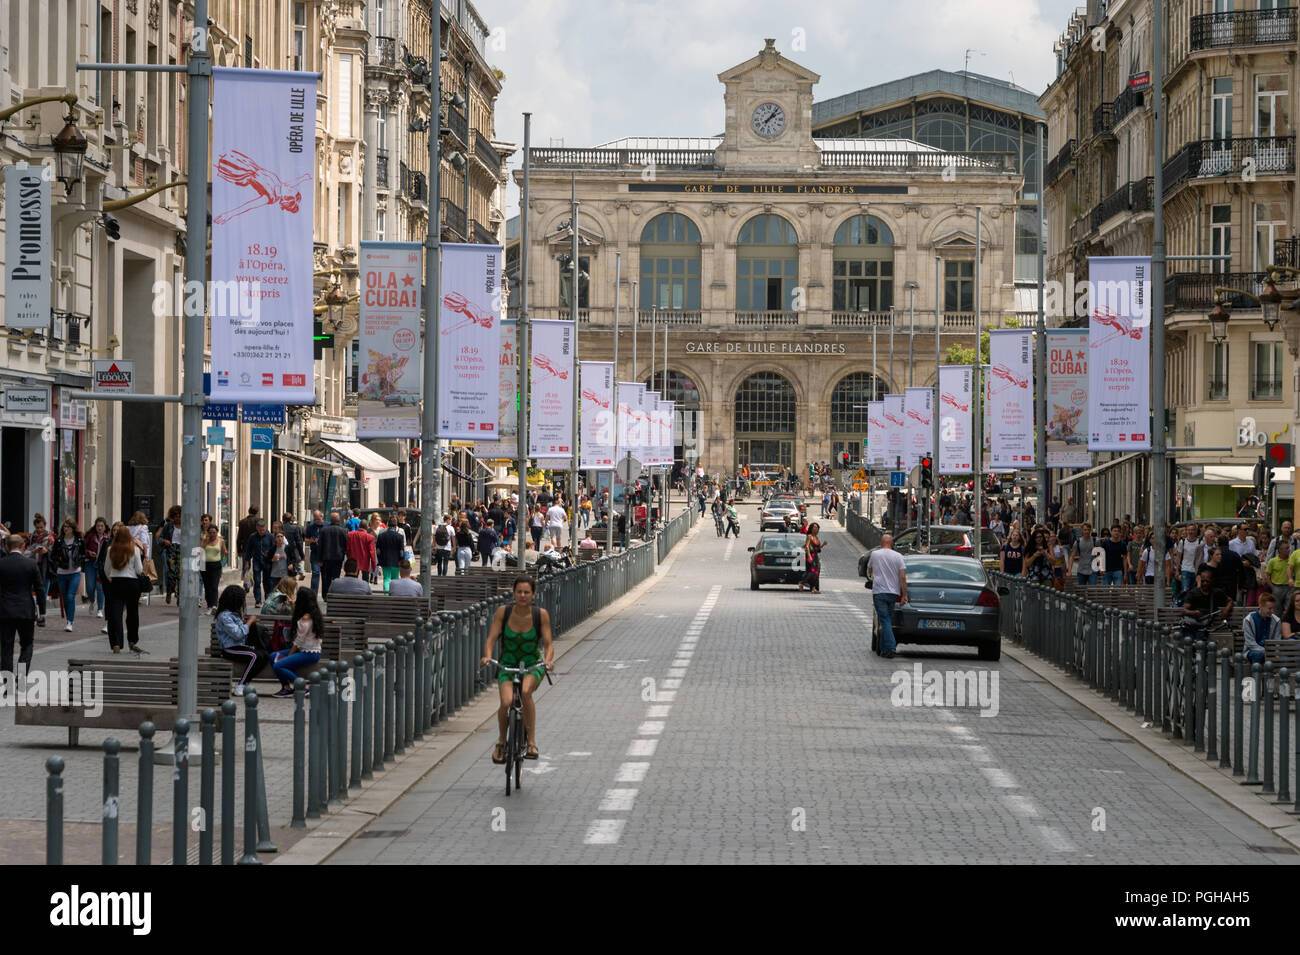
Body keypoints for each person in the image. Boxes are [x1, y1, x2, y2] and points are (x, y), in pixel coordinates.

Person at [480, 576, 554, 763]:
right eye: (519, 592)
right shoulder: (503, 612)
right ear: (513, 593)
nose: (522, 595)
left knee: (526, 691)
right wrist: (487, 656)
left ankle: (531, 741)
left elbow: (548, 644)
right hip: (508, 664)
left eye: (526, 592)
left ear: (533, 594)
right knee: (505, 703)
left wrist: (547, 660)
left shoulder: (541, 614)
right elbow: (491, 638)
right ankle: (501, 742)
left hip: (532, 664)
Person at [214, 584, 267, 694]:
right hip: (230, 649)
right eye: (241, 600)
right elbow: (238, 634)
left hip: (240, 646)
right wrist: (249, 622)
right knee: (254, 656)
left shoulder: (234, 614)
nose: (243, 603)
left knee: (264, 655)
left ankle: (245, 682)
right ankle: (241, 685)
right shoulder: (225, 616)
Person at [270, 588, 324, 697]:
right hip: (304, 650)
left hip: (309, 653)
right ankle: (286, 688)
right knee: (273, 656)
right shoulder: (313, 614)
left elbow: (298, 642)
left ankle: (303, 687)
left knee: (278, 666)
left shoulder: (305, 619)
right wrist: (291, 605)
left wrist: (289, 656)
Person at [0, 534, 41, 676]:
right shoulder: (31, 564)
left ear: (6, 546)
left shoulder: (2, 563)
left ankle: (7, 683)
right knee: (27, 645)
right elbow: (40, 589)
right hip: (26, 610)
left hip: (5, 610)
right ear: (23, 546)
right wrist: (42, 611)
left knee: (6, 647)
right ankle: (21, 679)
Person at [867, 534, 909, 659]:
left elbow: (869, 569)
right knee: (887, 621)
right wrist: (904, 595)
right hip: (893, 593)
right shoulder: (898, 557)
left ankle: (890, 648)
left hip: (879, 592)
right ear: (892, 544)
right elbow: (902, 577)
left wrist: (874, 574)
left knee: (884, 620)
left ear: (881, 543)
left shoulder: (875, 554)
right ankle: (883, 649)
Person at [105, 525, 145, 653]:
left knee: (115, 614)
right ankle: (132, 640)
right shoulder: (135, 550)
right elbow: (139, 570)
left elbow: (106, 569)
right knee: (132, 613)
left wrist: (111, 577)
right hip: (132, 583)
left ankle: (116, 643)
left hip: (116, 582)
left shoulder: (111, 549)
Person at [49, 517, 85, 632]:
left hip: (75, 572)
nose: (66, 529)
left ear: (73, 528)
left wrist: (80, 560)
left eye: (68, 526)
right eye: (64, 526)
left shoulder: (79, 541)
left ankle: (70, 621)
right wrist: (58, 562)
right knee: (65, 598)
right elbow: (53, 556)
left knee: (70, 597)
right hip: (61, 573)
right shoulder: (59, 541)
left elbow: (83, 554)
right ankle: (69, 619)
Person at [1182, 566, 1234, 639]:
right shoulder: (1193, 593)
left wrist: (1226, 610)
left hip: (1205, 626)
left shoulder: (1216, 592)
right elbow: (1184, 611)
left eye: (1207, 581)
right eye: (1203, 581)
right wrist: (1193, 613)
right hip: (1191, 625)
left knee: (1199, 641)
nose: (1205, 583)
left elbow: (1230, 601)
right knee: (1189, 640)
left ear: (1212, 580)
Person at [23, 513, 53, 625]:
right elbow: (24, 550)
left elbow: (52, 552)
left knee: (42, 592)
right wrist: (33, 551)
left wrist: (46, 551)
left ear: (45, 525)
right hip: (31, 566)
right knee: (29, 591)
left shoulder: (49, 537)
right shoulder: (31, 537)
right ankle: (34, 614)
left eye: (41, 527)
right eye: (37, 527)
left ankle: (42, 617)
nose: (39, 530)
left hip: (44, 567)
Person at [242, 518, 275, 604]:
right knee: (257, 581)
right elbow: (248, 550)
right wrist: (246, 562)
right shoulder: (252, 537)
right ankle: (258, 600)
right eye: (260, 530)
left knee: (267, 581)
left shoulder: (270, 536)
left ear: (266, 528)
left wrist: (270, 554)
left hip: (267, 561)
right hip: (256, 561)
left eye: (263, 530)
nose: (261, 532)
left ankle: (267, 598)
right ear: (257, 528)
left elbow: (274, 548)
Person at [83, 517, 110, 619]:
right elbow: (83, 549)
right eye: (98, 526)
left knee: (100, 587)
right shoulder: (90, 536)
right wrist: (89, 552)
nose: (99, 528)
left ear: (105, 527)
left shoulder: (108, 537)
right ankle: (92, 601)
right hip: (90, 563)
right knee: (90, 587)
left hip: (101, 565)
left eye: (101, 526)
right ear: (95, 526)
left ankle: (99, 609)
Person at [1242, 592, 1281, 665]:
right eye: (1269, 608)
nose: (1272, 611)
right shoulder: (1248, 620)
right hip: (1252, 651)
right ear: (1260, 606)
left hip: (1271, 652)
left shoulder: (1276, 620)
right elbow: (1250, 643)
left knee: (1285, 657)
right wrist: (1266, 652)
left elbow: (1277, 640)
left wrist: (1276, 653)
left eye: (1273, 608)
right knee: (1258, 655)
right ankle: (1256, 676)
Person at [317, 512, 348, 597]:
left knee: (326, 578)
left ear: (330, 520)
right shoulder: (343, 531)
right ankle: (334, 595)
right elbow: (346, 545)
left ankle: (325, 595)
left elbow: (320, 546)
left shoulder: (324, 530)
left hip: (326, 558)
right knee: (336, 578)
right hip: (338, 558)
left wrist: (319, 559)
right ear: (338, 520)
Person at [200, 525, 227, 613]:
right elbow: (200, 551)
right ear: (207, 533)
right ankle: (209, 606)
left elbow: (224, 552)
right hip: (205, 565)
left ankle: (214, 605)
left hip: (216, 566)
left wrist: (223, 561)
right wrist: (205, 542)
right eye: (210, 532)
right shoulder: (204, 540)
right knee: (207, 587)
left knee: (214, 586)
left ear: (217, 532)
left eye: (214, 532)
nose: (212, 534)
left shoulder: (221, 541)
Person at [346, 519, 378, 587]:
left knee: (353, 581)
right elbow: (372, 553)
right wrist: (374, 566)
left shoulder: (350, 535)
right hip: (365, 562)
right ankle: (364, 594)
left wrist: (349, 558)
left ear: (359, 526)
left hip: (353, 561)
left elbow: (348, 549)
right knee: (365, 581)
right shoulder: (370, 537)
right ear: (367, 527)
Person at [375, 521, 405, 592]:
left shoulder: (381, 536)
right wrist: (402, 561)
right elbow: (401, 552)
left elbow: (378, 551)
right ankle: (395, 594)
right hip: (396, 562)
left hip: (385, 561)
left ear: (388, 525)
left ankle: (386, 594)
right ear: (395, 526)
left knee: (386, 579)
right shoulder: (400, 537)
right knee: (395, 579)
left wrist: (379, 560)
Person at [303, 509, 325, 594]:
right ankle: (313, 594)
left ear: (321, 517)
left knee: (325, 575)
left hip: (324, 553)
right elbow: (305, 539)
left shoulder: (327, 525)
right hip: (315, 553)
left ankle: (325, 594)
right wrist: (311, 540)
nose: (316, 521)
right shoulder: (310, 527)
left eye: (318, 519)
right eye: (315, 519)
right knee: (315, 573)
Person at [799, 522, 823, 594]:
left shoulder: (816, 537)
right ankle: (802, 582)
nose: (815, 529)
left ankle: (813, 588)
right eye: (814, 527)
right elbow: (807, 546)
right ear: (811, 529)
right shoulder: (809, 536)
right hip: (810, 556)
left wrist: (823, 545)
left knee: (816, 572)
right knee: (812, 572)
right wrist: (809, 556)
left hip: (815, 555)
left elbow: (817, 548)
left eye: (817, 528)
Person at [281, 511, 305, 580]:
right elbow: (298, 542)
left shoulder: (280, 527)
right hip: (292, 552)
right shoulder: (294, 528)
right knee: (291, 570)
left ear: (283, 519)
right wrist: (302, 555)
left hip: (281, 551)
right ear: (291, 519)